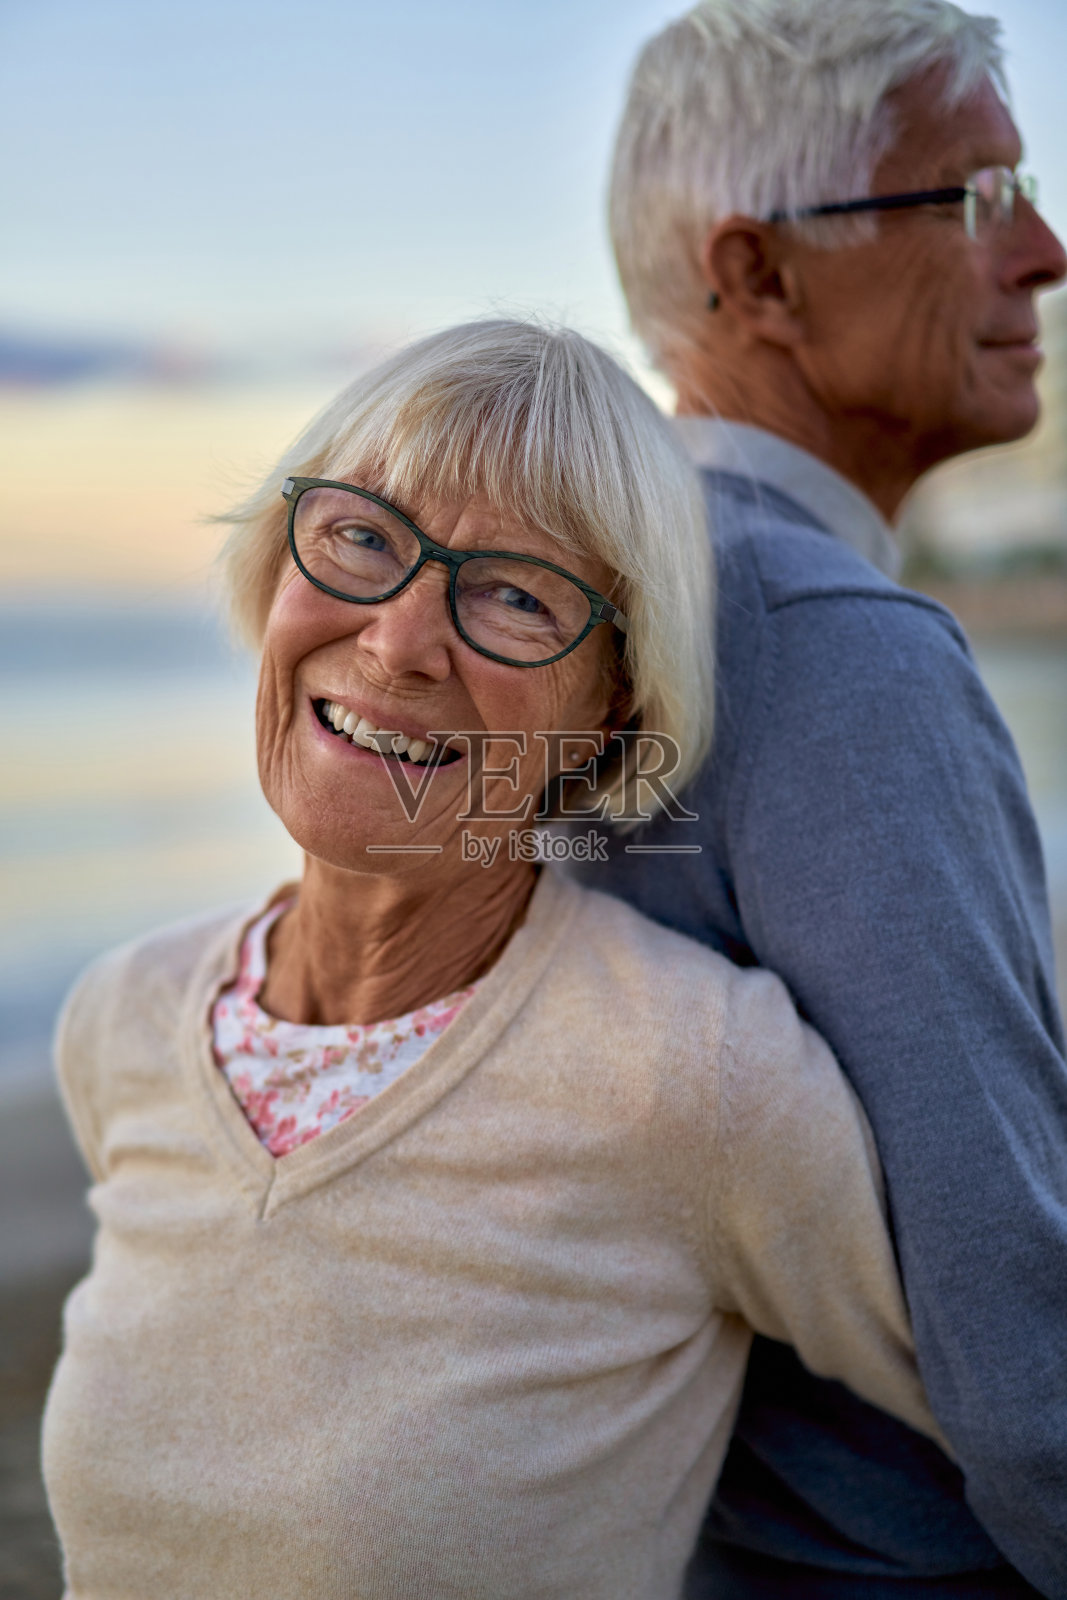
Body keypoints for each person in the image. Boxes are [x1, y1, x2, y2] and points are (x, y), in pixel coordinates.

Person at [42, 319, 941, 1599]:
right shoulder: (122, 1020)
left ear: (611, 713)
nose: (400, 639)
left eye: (516, 594)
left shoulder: (693, 1072)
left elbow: (990, 1412)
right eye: (360, 536)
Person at [590, 2, 1067, 1595]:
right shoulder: (832, 646)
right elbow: (1024, 1366)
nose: (1045, 250)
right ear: (759, 278)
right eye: (975, 199)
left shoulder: (559, 598)